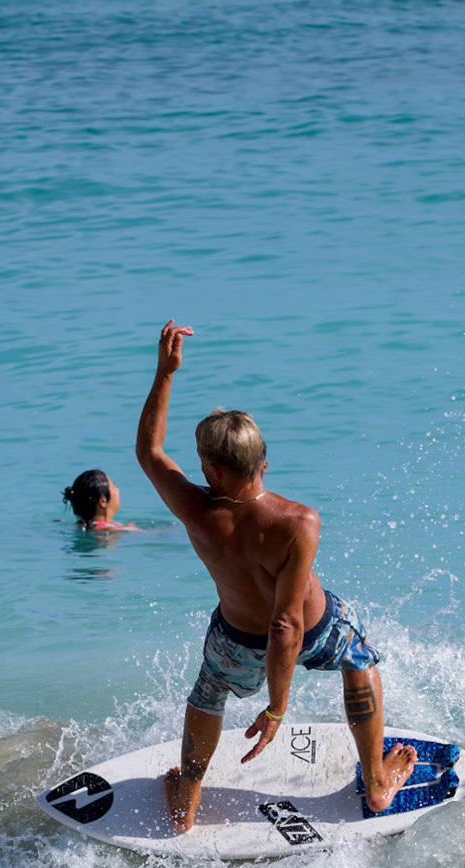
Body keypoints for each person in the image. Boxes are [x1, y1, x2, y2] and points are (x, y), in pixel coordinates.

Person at [134, 321, 417, 832]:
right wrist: (278, 709)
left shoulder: (196, 509)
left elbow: (150, 452)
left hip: (235, 639)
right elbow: (286, 626)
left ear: (213, 472)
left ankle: (187, 801)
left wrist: (165, 372)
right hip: (314, 629)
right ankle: (377, 783)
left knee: (208, 694)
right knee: (359, 659)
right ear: (262, 462)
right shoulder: (298, 521)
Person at [64, 469, 137, 530]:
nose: (118, 490)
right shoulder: (108, 530)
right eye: (114, 486)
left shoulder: (80, 525)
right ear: (103, 501)